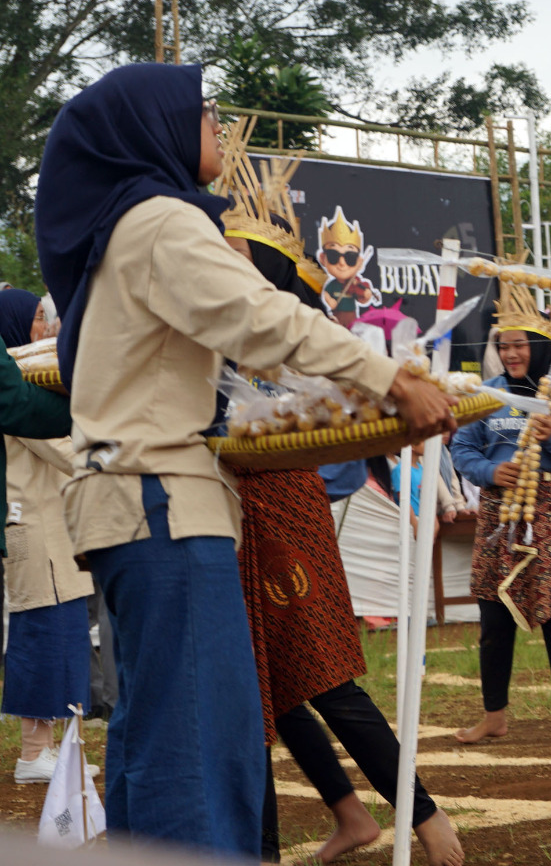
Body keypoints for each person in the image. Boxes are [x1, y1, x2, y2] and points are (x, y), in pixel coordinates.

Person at [33, 65, 456, 859]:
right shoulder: (159, 219)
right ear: (154, 131)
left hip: (130, 498)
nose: (218, 129)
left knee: (156, 729)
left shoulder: (117, 226)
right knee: (197, 735)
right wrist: (389, 376)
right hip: (161, 500)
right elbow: (261, 318)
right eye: (204, 116)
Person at [213, 173, 465, 866]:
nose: (219, 258)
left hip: (281, 505)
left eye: (234, 249)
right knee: (258, 679)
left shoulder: (288, 335)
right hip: (231, 507)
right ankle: (345, 816)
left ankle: (428, 818)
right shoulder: (210, 324)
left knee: (319, 672)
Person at [449, 284, 551, 746]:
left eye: (520, 344)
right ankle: (493, 717)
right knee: (494, 620)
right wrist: (489, 470)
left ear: (540, 346)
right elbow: (462, 448)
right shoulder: (486, 393)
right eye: (504, 345)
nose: (511, 354)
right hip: (500, 510)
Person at [1, 291, 94, 786]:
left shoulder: (32, 377)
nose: (43, 325)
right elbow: (59, 448)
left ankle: (51, 750)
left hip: (53, 528)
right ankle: (33, 752)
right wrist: (112, 458)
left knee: (64, 637)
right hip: (33, 526)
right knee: (43, 635)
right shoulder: (17, 384)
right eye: (36, 318)